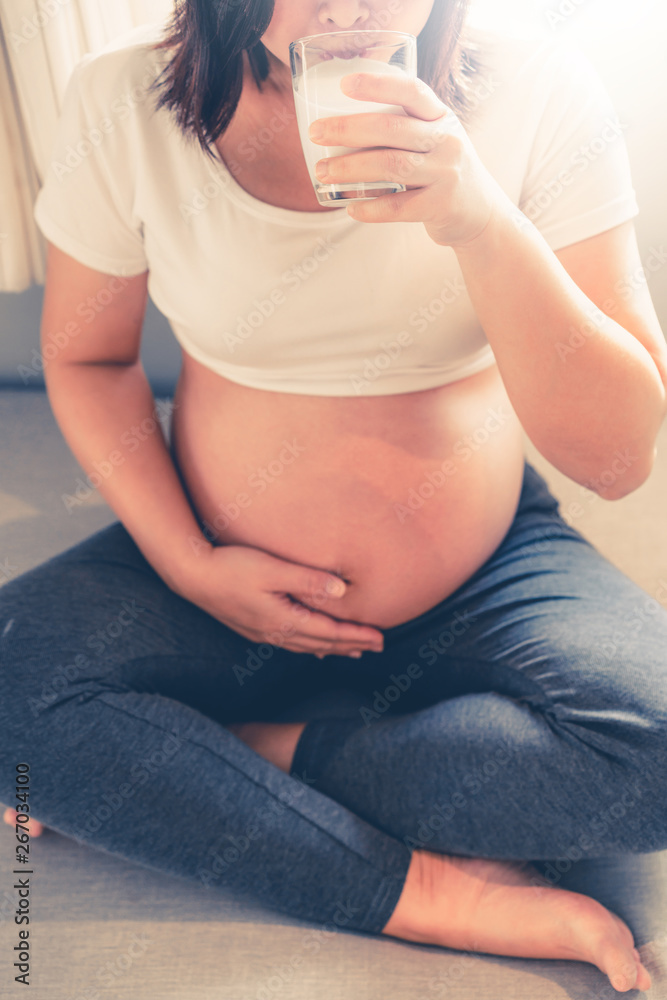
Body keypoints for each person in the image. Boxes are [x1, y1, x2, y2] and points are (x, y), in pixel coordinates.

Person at [2, 0, 667, 992]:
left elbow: (617, 457)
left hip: (483, 569)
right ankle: (433, 894)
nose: (351, 3)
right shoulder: (123, 98)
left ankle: (228, 755)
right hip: (211, 573)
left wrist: (478, 220)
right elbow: (89, 359)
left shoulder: (539, 91)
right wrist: (191, 563)